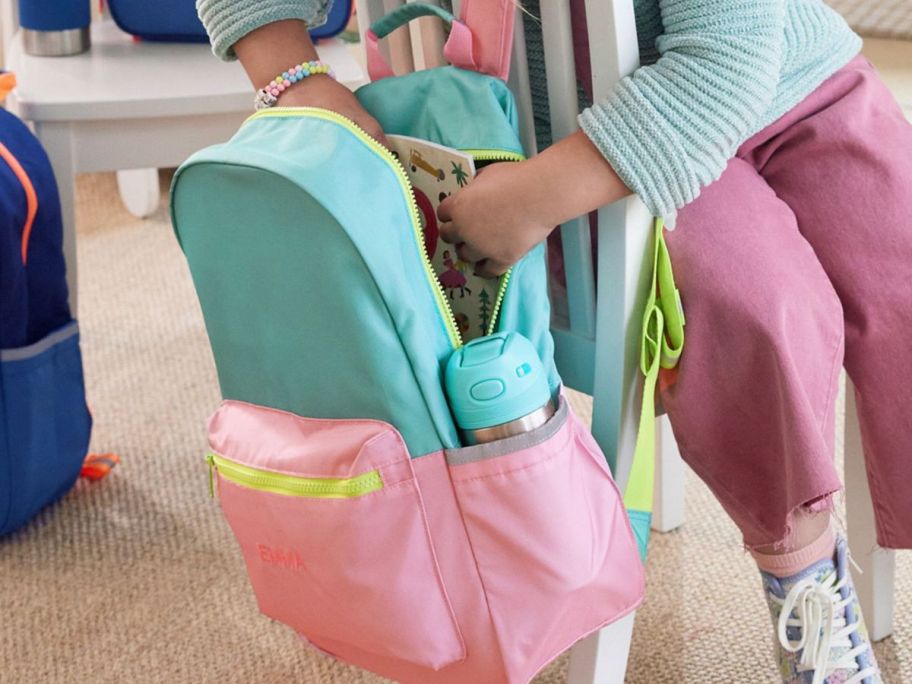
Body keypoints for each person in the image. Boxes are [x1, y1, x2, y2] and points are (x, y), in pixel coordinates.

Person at [197, 1, 912, 681]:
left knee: (897, 258)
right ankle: (804, 576)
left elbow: (726, 61)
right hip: (591, 145)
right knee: (763, 307)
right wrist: (295, 78)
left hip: (783, 73)